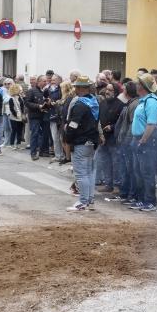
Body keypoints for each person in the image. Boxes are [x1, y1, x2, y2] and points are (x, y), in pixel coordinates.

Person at [64, 75, 100, 211]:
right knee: (89, 172)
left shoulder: (80, 104)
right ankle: (90, 200)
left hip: (80, 141)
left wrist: (68, 139)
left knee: (81, 174)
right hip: (91, 141)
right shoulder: (94, 101)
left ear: (79, 88)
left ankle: (83, 201)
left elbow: (73, 124)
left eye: (76, 87)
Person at [130, 73, 157, 212]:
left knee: (147, 172)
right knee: (138, 172)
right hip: (138, 139)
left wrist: (143, 140)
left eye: (138, 84)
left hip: (147, 141)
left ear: (143, 87)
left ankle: (150, 201)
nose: (136, 86)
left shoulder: (151, 101)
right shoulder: (143, 100)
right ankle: (142, 199)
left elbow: (151, 124)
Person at [112, 80, 141, 204]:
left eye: (124, 89)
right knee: (125, 169)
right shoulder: (130, 103)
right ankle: (125, 194)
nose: (122, 91)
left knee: (130, 170)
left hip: (128, 143)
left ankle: (131, 195)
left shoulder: (134, 104)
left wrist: (127, 142)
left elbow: (131, 126)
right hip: (125, 142)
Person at [95, 82, 124, 196]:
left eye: (110, 90)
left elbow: (121, 123)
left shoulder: (121, 105)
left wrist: (112, 127)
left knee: (116, 163)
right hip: (103, 138)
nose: (107, 91)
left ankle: (117, 185)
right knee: (105, 162)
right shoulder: (102, 103)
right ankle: (108, 184)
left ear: (116, 92)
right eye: (107, 89)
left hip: (114, 139)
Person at [24, 75, 49, 160]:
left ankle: (42, 151)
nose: (46, 83)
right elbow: (27, 103)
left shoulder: (46, 91)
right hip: (35, 116)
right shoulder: (32, 91)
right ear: (39, 82)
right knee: (35, 134)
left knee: (44, 134)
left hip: (44, 116)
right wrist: (38, 106)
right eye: (44, 81)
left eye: (46, 81)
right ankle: (33, 153)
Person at [6, 81, 26, 148]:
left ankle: (18, 144)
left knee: (20, 130)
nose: (21, 90)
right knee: (14, 130)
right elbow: (11, 109)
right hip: (14, 117)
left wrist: (23, 114)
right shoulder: (11, 99)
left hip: (21, 116)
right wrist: (16, 115)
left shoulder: (21, 97)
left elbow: (23, 106)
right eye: (20, 89)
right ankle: (12, 144)